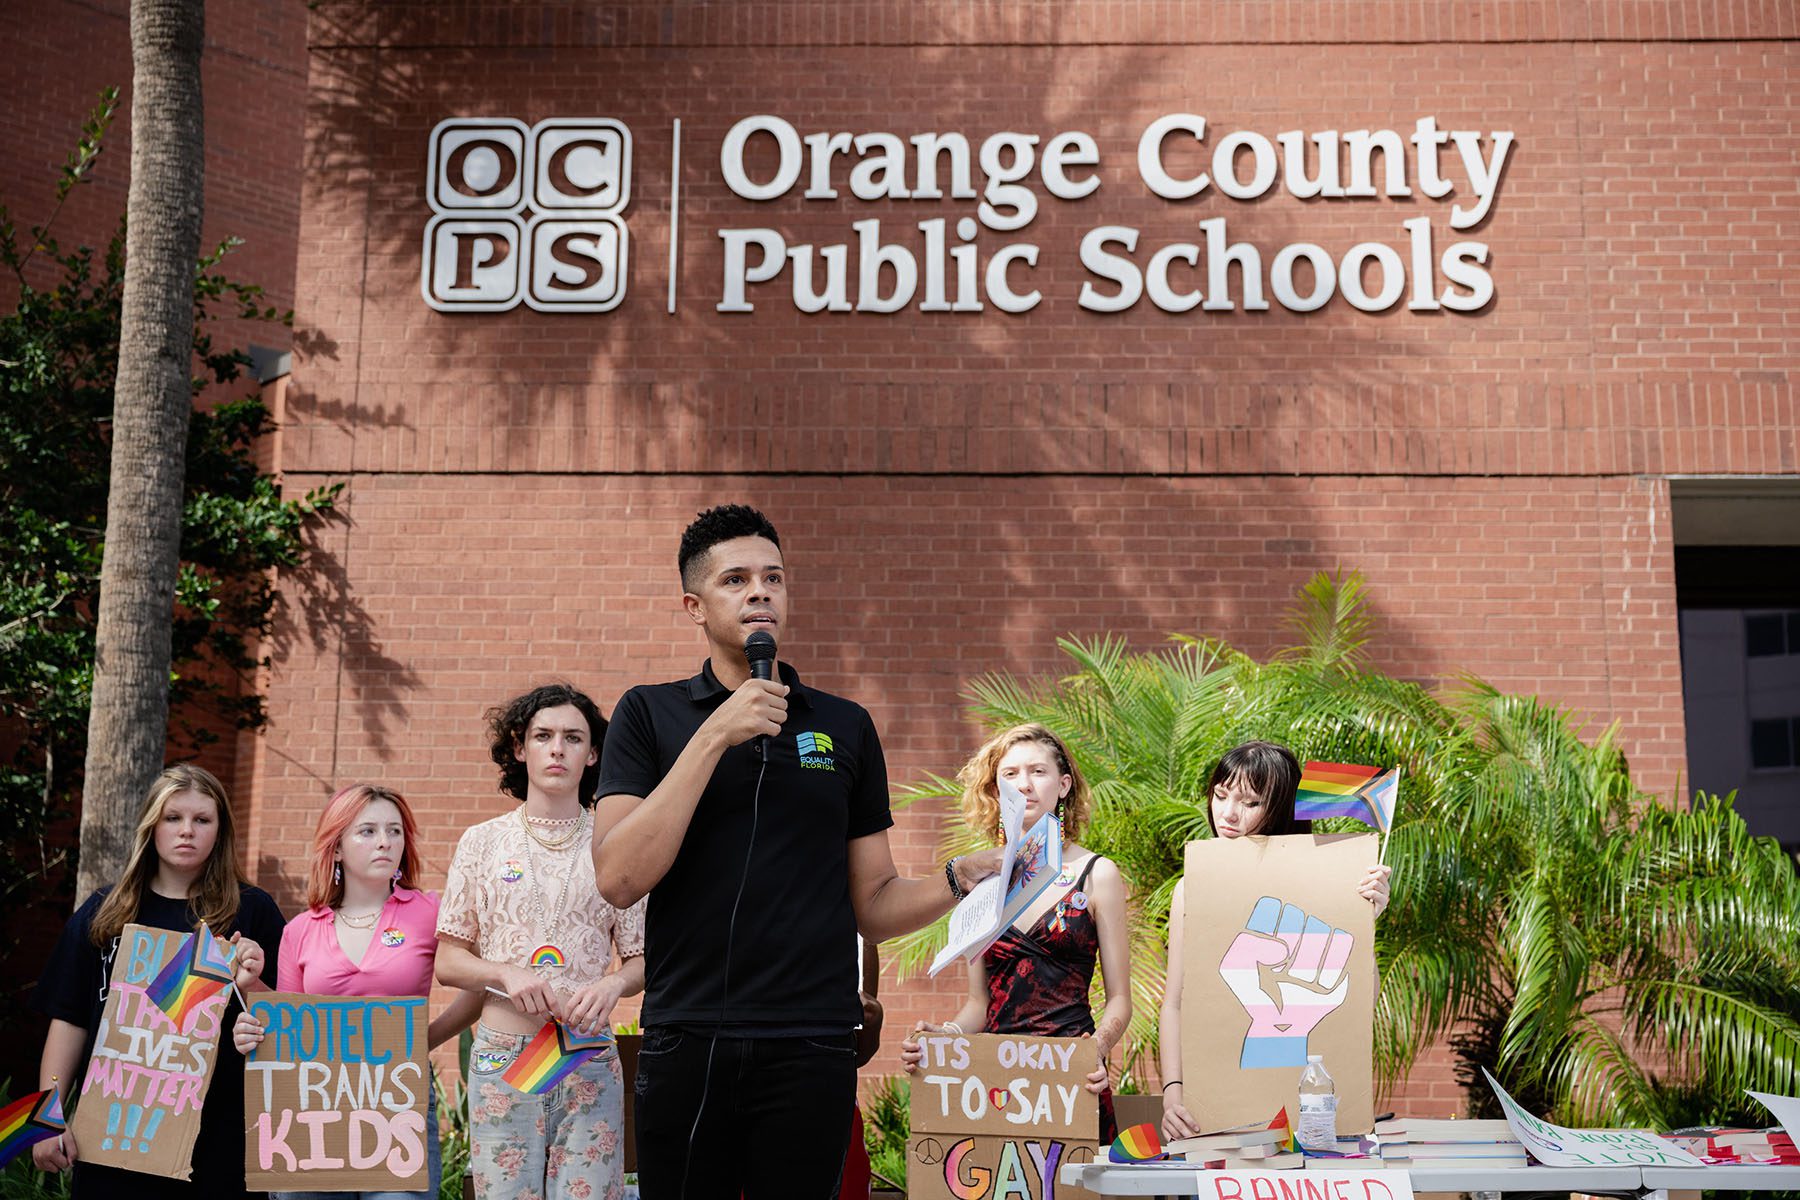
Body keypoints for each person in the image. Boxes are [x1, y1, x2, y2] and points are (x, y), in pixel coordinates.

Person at [592, 504, 1002, 1200]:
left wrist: (958, 878)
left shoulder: (844, 725)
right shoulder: (647, 714)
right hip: (688, 1034)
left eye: (773, 578)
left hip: (810, 1041)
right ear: (694, 605)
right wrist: (715, 734)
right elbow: (620, 876)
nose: (760, 592)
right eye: (736, 580)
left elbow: (871, 905)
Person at [435, 684, 647, 1200]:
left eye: (573, 738)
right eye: (543, 736)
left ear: (593, 752)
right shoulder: (482, 842)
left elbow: (644, 960)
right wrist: (503, 973)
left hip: (586, 1054)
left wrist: (614, 984)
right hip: (501, 1056)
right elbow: (449, 961)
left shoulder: (617, 843)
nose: (557, 749)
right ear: (519, 748)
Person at [31, 763, 281, 1196]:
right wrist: (47, 1117)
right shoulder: (103, 913)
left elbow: (288, 1020)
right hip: (113, 1138)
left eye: (202, 820)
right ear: (152, 826)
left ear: (220, 831)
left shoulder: (252, 912)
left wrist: (250, 986)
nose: (187, 830)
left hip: (217, 1143)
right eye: (173, 818)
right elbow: (69, 1020)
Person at [230, 782, 486, 1200]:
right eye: (367, 831)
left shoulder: (431, 912)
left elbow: (479, 987)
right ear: (336, 847)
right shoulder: (300, 930)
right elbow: (288, 1023)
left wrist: (425, 1038)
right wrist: (251, 1009)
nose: (384, 842)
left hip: (398, 1104)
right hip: (313, 1110)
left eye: (394, 831)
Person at [897, 724, 1132, 1141]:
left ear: (1063, 785)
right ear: (994, 790)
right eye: (1010, 774)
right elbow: (978, 1004)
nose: (1024, 785)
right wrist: (944, 1038)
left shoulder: (1098, 874)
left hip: (1071, 1077)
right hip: (997, 1084)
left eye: (1037, 772)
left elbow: (1120, 1001)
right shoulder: (982, 884)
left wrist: (1094, 1048)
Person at [1158, 740, 1392, 1141]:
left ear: (1281, 809)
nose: (1228, 813)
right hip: (1215, 1117)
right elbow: (1176, 1000)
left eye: (1249, 802)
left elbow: (1357, 1006)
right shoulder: (1192, 888)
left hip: (1313, 1116)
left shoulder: (1330, 884)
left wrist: (1363, 921)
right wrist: (1173, 1093)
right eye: (1220, 795)